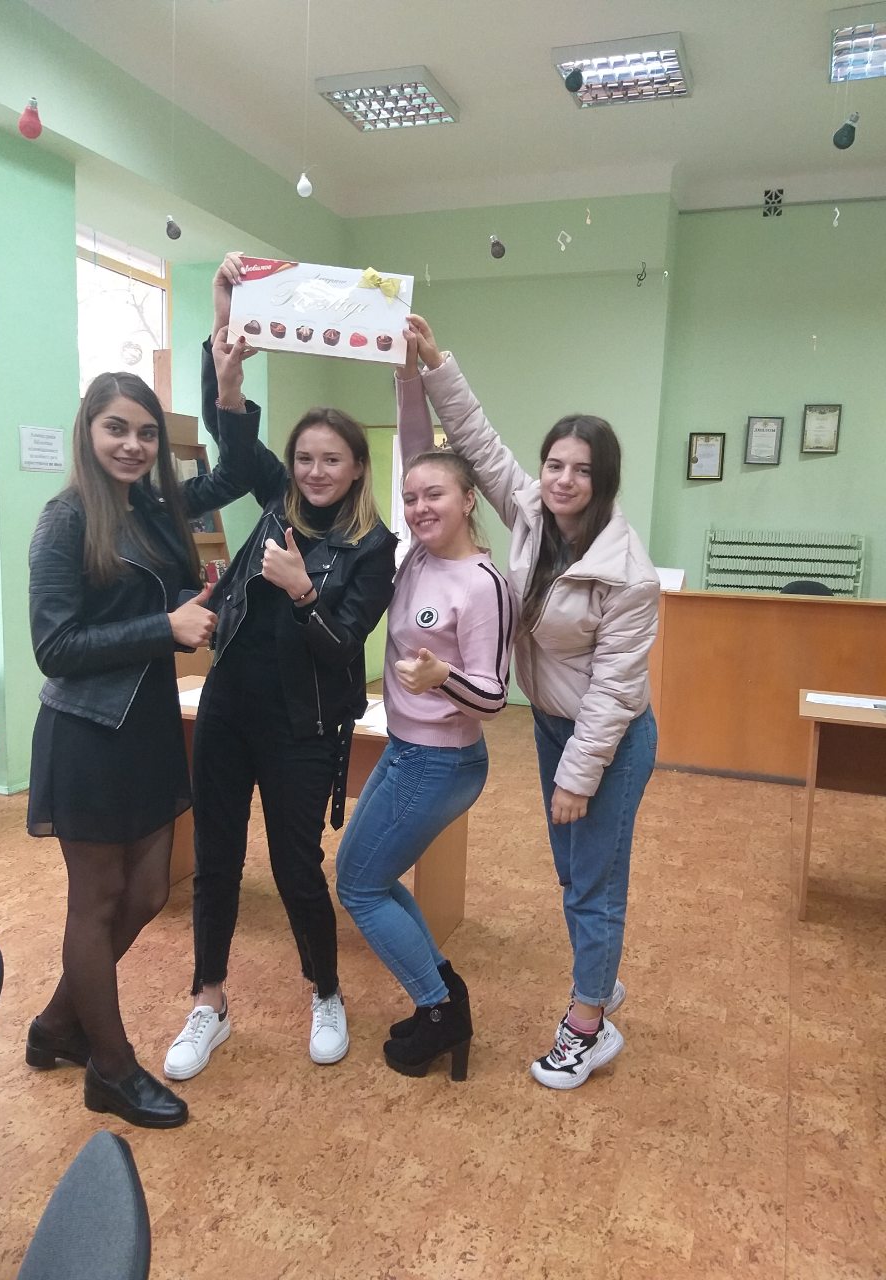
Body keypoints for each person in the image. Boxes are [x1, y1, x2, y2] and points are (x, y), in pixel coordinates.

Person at [403, 315, 659, 1091]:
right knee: (575, 872)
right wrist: (435, 363)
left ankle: (589, 1023)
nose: (563, 479)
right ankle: (599, 974)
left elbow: (615, 691)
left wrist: (579, 775)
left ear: (603, 481)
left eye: (582, 470)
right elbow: (477, 442)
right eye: (554, 464)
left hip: (607, 738)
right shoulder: (531, 517)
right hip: (552, 724)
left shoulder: (628, 574)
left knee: (594, 880)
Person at [162, 254, 397, 1082]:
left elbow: (345, 646)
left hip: (305, 726)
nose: (314, 472)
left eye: (331, 460)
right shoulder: (275, 502)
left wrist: (302, 591)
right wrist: (223, 321)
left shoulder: (373, 547)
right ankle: (208, 1000)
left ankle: (325, 991)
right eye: (304, 459)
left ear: (357, 467)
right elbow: (234, 438)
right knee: (217, 859)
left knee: (296, 869)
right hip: (229, 708)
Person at [26, 369, 255, 1128]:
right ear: (88, 431)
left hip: (148, 725)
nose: (132, 445)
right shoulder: (65, 520)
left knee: (151, 892)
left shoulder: (155, 508)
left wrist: (227, 385)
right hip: (88, 733)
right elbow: (55, 647)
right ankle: (112, 1068)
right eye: (116, 428)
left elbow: (239, 471)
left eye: (146, 432)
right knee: (95, 902)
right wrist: (164, 628)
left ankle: (58, 1024)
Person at [335, 340, 514, 1081]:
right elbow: (419, 451)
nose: (418, 508)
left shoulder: (482, 582)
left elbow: (495, 695)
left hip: (442, 760)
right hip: (406, 749)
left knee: (358, 885)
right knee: (372, 880)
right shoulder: (419, 552)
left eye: (434, 496)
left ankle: (440, 1007)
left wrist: (443, 678)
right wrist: (407, 372)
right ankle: (443, 995)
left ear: (469, 499)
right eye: (410, 499)